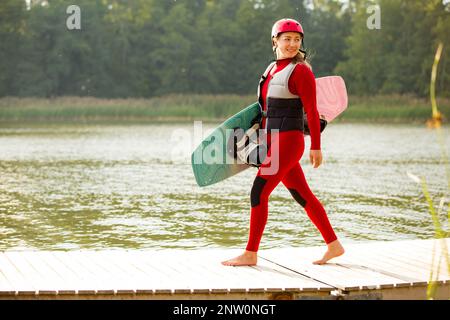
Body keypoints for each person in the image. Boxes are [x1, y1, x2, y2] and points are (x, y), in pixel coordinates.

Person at [222, 18, 345, 266]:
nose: (292, 44)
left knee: (259, 192)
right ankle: (334, 245)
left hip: (289, 142)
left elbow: (311, 110)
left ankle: (250, 254)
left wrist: (316, 146)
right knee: (303, 195)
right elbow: (265, 107)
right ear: (275, 41)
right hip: (271, 141)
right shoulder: (270, 70)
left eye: (297, 40)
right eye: (287, 39)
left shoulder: (301, 71)